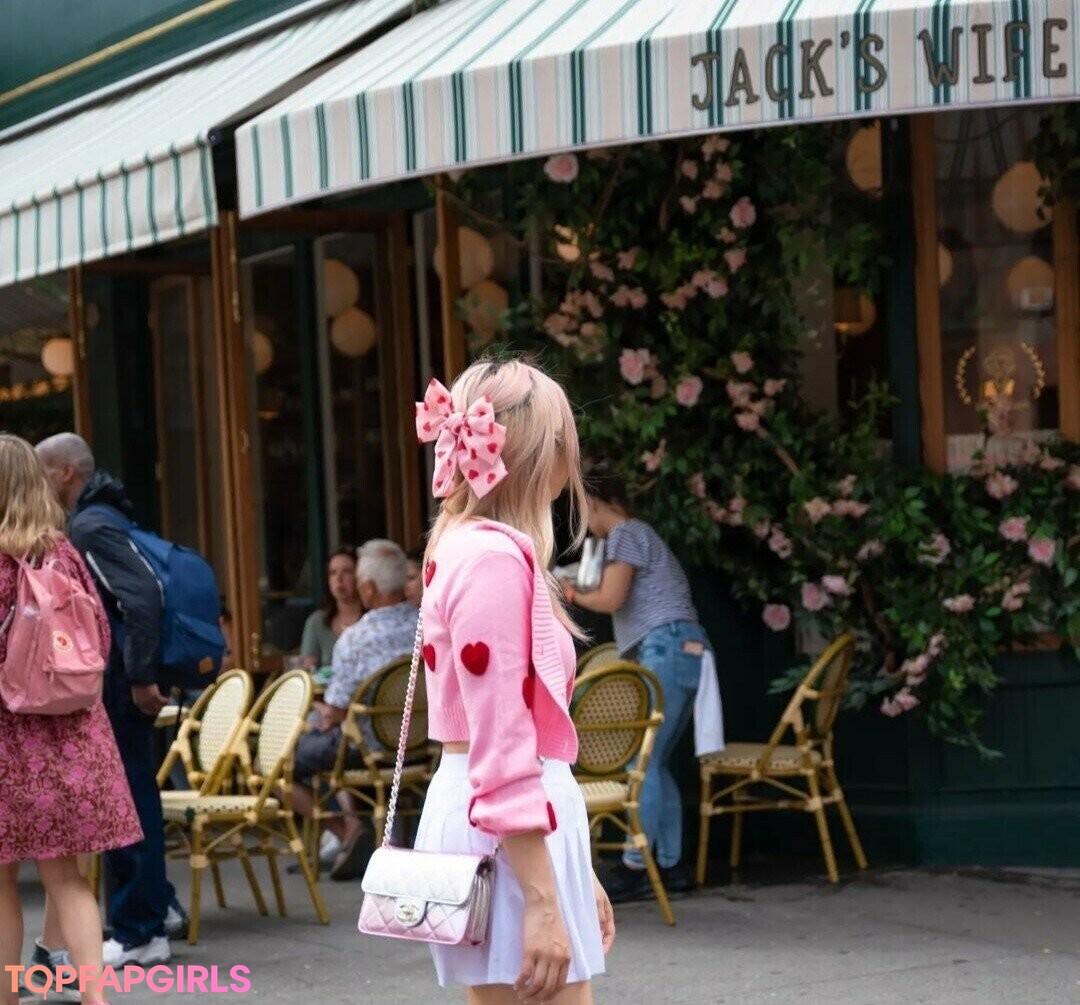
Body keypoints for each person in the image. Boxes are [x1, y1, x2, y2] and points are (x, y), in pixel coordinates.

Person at [414, 360, 614, 1004]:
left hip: (508, 825)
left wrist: (571, 877)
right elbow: (503, 742)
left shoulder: (466, 545)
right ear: (542, 452)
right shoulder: (493, 559)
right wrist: (544, 899)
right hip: (507, 827)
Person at [0, 434, 142, 1005]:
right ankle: (95, 998)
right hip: (72, 739)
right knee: (67, 879)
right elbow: (99, 640)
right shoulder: (63, 553)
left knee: (2, 882)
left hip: (8, 742)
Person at [35, 433, 185, 965]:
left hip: (120, 684)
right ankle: (157, 908)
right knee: (132, 796)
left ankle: (140, 929)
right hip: (124, 679)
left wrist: (139, 676)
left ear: (65, 472)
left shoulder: (89, 526)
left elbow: (140, 597)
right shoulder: (109, 516)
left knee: (126, 802)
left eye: (43, 470)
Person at [563, 462, 711, 902]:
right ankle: (670, 865)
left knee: (641, 764)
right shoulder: (638, 534)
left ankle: (635, 865)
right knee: (655, 761)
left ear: (593, 501)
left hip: (664, 645)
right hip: (682, 646)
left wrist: (566, 592)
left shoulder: (625, 533)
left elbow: (610, 598)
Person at [290, 539, 418, 881]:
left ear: (369, 587)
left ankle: (347, 831)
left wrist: (318, 709)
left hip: (370, 750)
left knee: (275, 763)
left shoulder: (355, 638)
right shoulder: (428, 625)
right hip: (424, 745)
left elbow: (335, 712)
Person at [299, 547, 363, 671]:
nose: (339, 578)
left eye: (347, 571)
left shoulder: (373, 620)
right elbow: (307, 669)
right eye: (333, 573)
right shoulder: (317, 622)